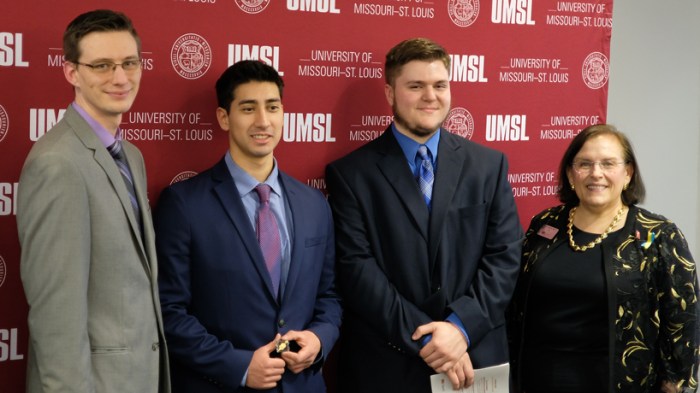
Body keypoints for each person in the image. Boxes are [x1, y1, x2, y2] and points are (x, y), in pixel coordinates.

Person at [325, 37, 523, 392]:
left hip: (473, 358)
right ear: (390, 93)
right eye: (415, 86)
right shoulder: (350, 174)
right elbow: (357, 270)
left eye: (439, 85)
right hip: (389, 363)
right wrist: (432, 342)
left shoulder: (488, 165)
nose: (430, 96)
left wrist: (461, 328)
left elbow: (504, 257)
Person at [155, 60, 342, 393]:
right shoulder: (183, 204)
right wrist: (239, 367)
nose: (263, 121)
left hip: (302, 384)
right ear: (224, 118)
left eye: (272, 107)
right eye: (248, 108)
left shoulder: (314, 205)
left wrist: (319, 338)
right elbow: (169, 312)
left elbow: (328, 296)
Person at [16, 9, 170, 393]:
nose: (120, 78)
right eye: (102, 65)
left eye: (129, 63)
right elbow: (56, 316)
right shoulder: (57, 163)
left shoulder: (130, 155)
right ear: (72, 72)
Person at [507, 124, 699, 393]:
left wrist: (676, 384)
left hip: (618, 383)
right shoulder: (545, 224)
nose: (596, 173)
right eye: (584, 164)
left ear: (628, 173)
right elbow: (514, 301)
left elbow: (683, 319)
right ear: (570, 174)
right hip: (537, 379)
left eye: (608, 163)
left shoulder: (657, 235)